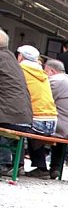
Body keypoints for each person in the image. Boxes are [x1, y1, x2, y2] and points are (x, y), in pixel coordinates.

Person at [17, 44, 58, 176]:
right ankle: (41, 168)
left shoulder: (21, 70)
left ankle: (15, 165)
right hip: (51, 121)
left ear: (21, 57)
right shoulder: (42, 73)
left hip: (37, 120)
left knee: (14, 125)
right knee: (31, 128)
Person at [0, 28, 32, 176]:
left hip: (11, 116)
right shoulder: (10, 58)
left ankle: (3, 164)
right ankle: (18, 164)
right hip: (24, 116)